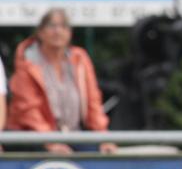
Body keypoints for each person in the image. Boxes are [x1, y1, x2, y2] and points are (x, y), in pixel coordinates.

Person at [7, 8, 116, 154]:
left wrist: (103, 137)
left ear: (70, 33)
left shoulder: (79, 59)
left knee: (98, 153)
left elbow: (93, 103)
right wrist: (51, 142)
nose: (58, 31)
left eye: (63, 26)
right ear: (40, 32)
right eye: (52, 26)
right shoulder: (27, 62)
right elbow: (28, 110)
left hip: (73, 135)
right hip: (33, 137)